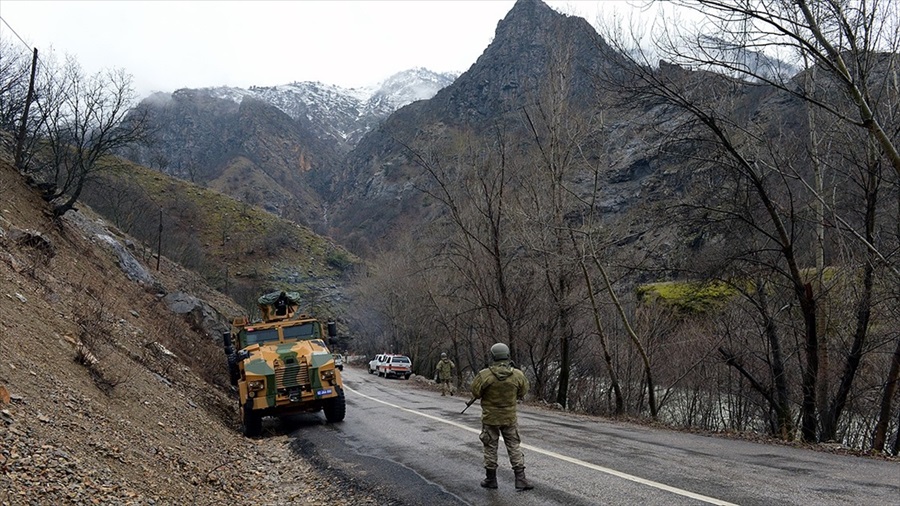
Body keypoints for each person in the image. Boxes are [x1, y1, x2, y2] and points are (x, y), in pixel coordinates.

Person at [469, 343, 533, 490]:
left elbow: (475, 392)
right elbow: (523, 392)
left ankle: (491, 479)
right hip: (509, 418)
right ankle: (521, 479)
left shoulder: (485, 375)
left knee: (490, 447)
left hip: (490, 418)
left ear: (493, 356)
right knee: (514, 446)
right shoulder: (517, 374)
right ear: (507, 355)